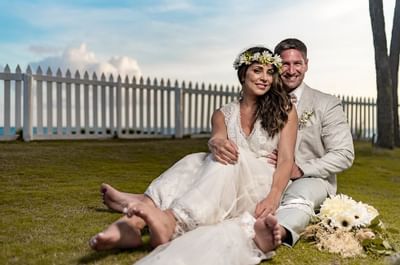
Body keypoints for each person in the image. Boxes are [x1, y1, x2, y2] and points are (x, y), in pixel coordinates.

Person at [90, 46, 298, 261]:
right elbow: (218, 138)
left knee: (229, 160)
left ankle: (168, 219)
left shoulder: (285, 110)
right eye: (257, 70)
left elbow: (285, 160)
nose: (265, 78)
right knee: (195, 161)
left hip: (261, 184)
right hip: (226, 176)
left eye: (269, 72)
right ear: (243, 73)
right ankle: (131, 225)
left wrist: (273, 197)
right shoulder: (223, 113)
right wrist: (215, 142)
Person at [209, 38, 355, 248]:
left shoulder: (326, 104)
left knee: (298, 196)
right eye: (285, 64)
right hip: (263, 174)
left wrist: (301, 169)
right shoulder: (257, 99)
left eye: (297, 63)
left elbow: (344, 154)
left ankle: (278, 231)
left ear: (306, 64)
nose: (291, 70)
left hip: (309, 177)